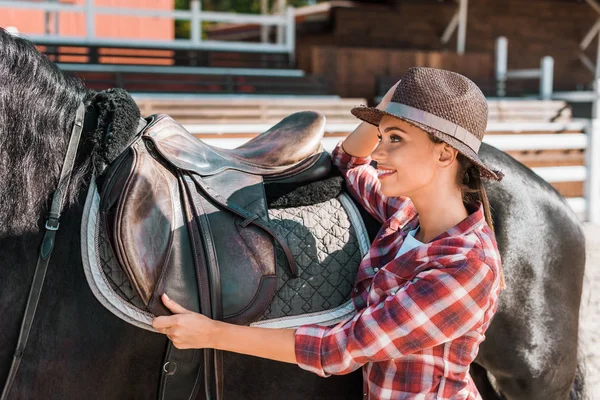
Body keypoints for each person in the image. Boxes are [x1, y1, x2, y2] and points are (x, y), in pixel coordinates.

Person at [152, 66, 505, 399]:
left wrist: (210, 334)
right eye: (381, 137)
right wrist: (385, 110)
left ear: (445, 154)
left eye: (395, 139)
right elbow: (350, 161)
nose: (379, 151)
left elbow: (339, 349)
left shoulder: (467, 266)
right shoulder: (404, 217)